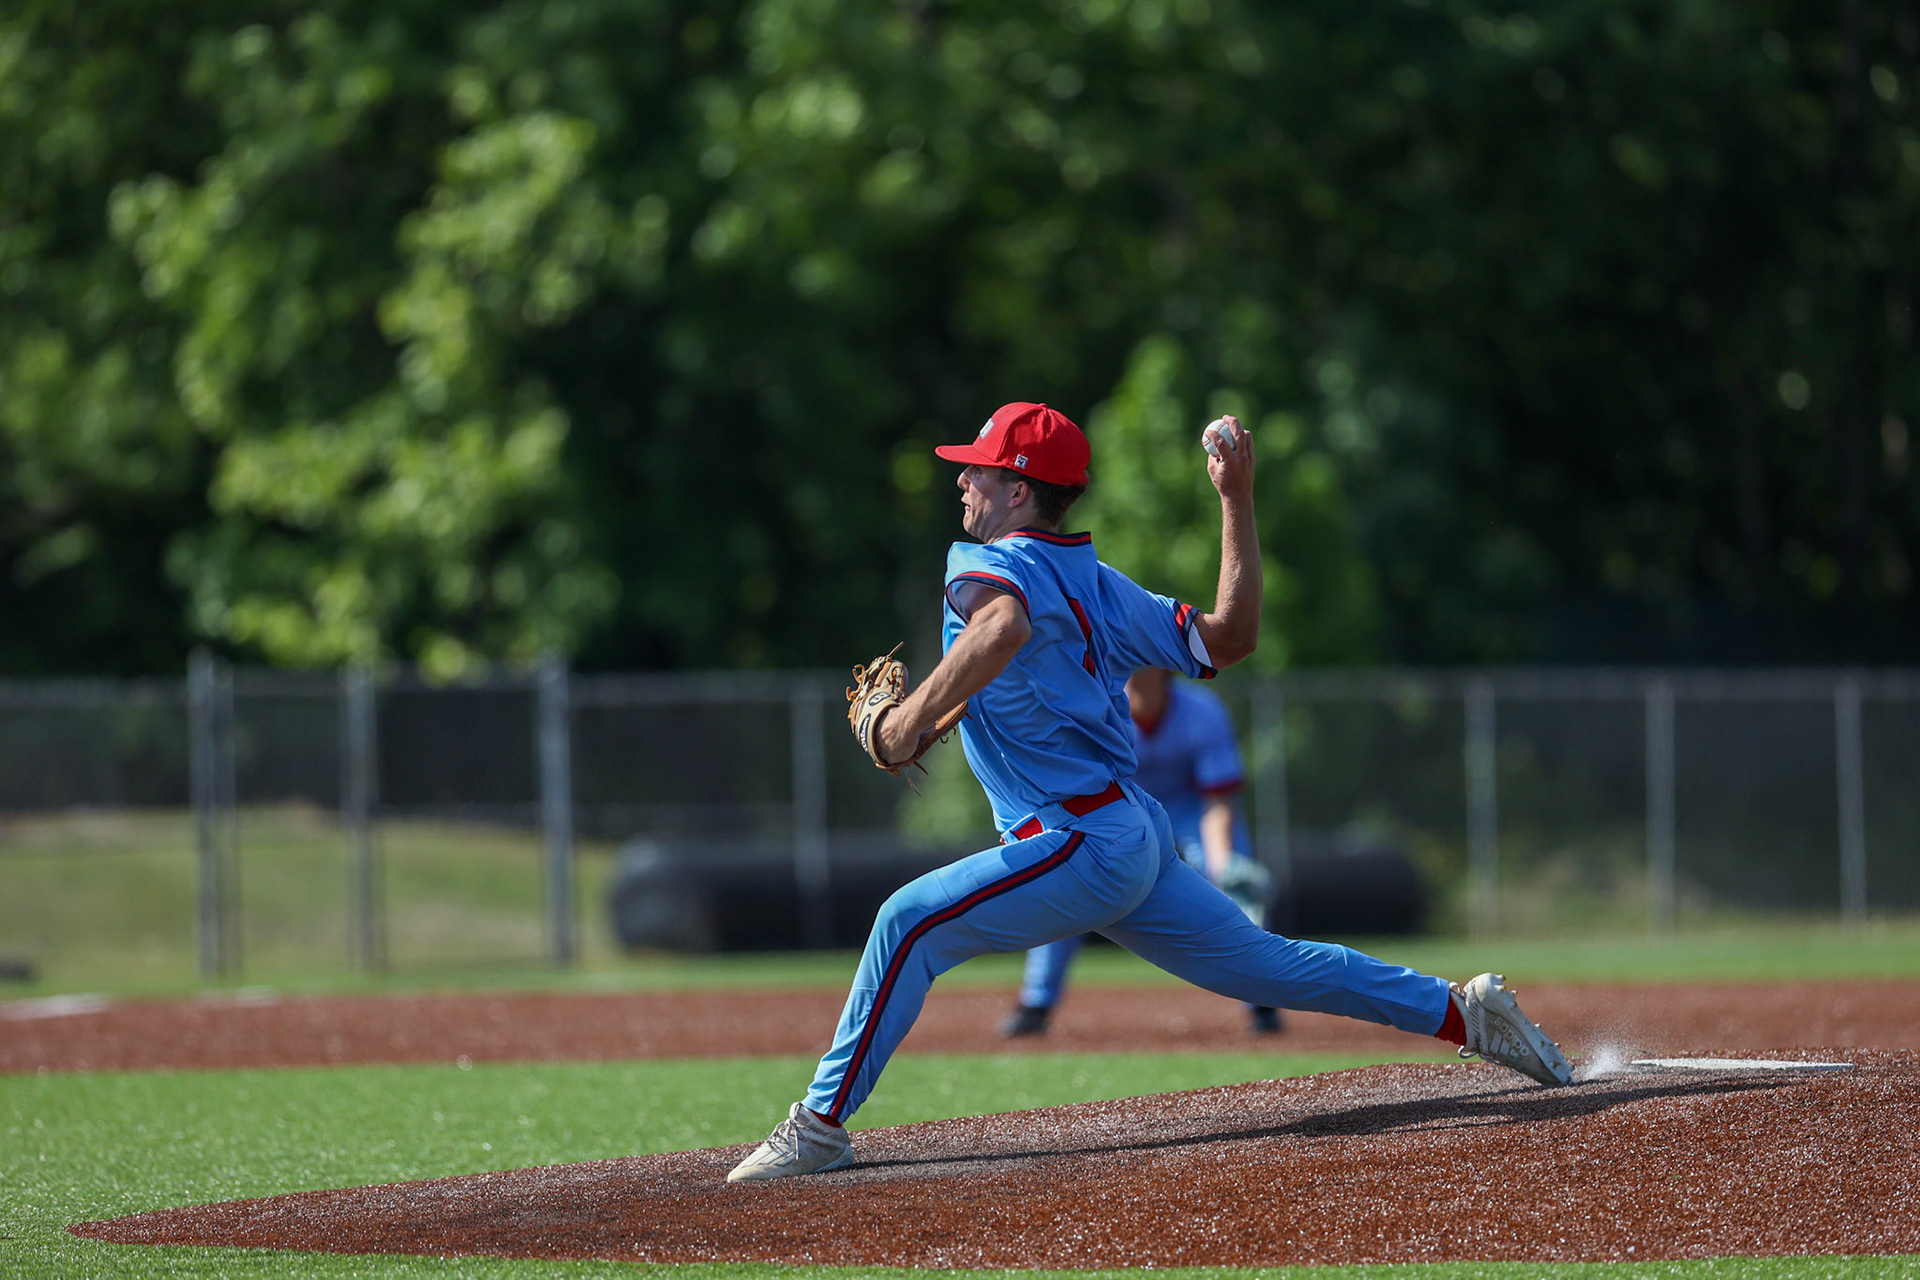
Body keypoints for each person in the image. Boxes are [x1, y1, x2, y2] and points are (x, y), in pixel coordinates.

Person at [726, 401, 1572, 1184]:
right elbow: (1231, 638)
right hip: (1129, 835)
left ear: (1017, 488)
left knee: (905, 924)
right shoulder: (1101, 583)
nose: (962, 481)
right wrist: (1236, 500)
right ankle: (1466, 1015)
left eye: (976, 469)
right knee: (1271, 967)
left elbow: (1005, 625)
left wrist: (905, 724)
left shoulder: (984, 562)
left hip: (1080, 843)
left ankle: (819, 1129)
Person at [1000, 665, 1284, 1037]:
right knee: (1068, 879)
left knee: (1233, 880)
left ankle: (1262, 998)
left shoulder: (1202, 711)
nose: (1128, 660)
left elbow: (1217, 801)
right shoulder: (1095, 711)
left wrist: (1222, 861)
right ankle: (1036, 1003)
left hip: (1190, 812)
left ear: (1162, 662)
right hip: (1121, 812)